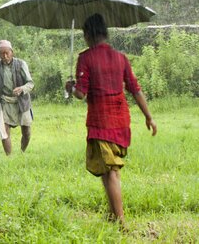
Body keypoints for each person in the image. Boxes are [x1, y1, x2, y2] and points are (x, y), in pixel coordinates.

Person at [65, 13, 157, 228]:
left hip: (100, 122)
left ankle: (121, 221)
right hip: (121, 121)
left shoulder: (85, 58)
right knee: (108, 171)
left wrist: (70, 86)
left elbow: (80, 94)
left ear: (88, 34)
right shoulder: (121, 57)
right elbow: (135, 89)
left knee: (111, 172)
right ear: (104, 33)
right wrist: (149, 117)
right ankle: (112, 214)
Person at [0, 40, 34, 155]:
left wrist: (22, 89)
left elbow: (30, 83)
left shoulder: (21, 64)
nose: (5, 56)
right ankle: (9, 158)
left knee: (27, 132)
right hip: (4, 102)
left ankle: (22, 153)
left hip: (22, 103)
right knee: (4, 132)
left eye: (7, 53)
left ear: (12, 52)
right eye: (1, 54)